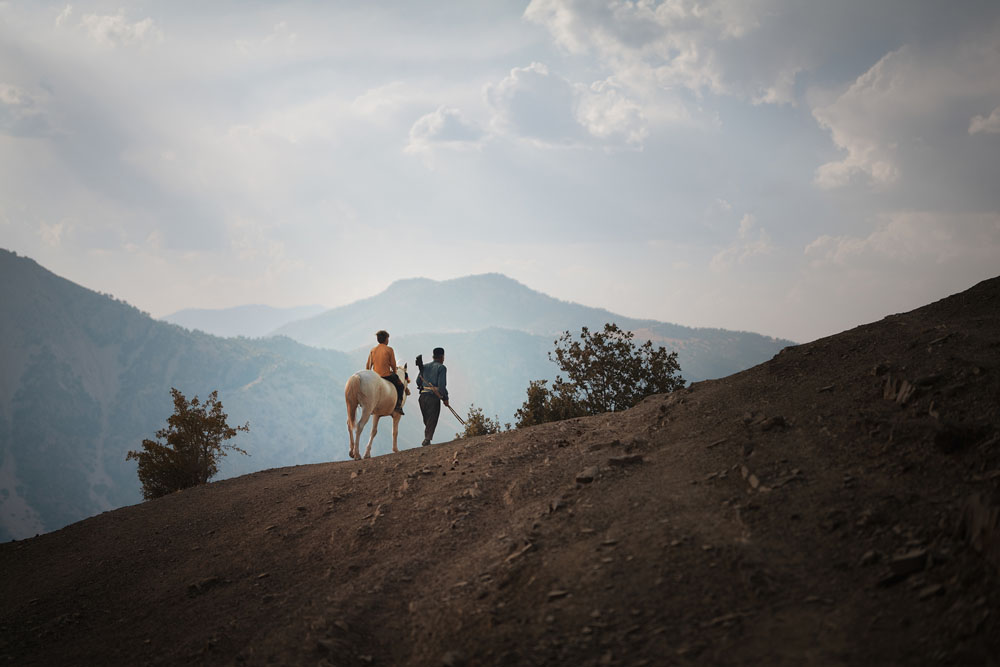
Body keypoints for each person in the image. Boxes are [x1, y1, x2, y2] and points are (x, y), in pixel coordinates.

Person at [366, 330, 404, 415]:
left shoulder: (373, 350)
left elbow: (368, 366)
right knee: (401, 386)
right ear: (386, 339)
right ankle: (398, 406)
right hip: (386, 375)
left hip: (375, 376)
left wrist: (370, 374)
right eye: (388, 338)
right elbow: (393, 365)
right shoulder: (389, 350)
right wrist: (394, 372)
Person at [417, 347, 448, 446]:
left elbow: (418, 382)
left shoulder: (424, 366)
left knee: (427, 419)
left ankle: (427, 439)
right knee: (432, 419)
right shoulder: (441, 368)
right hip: (433, 397)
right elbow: (442, 386)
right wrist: (445, 398)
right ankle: (427, 439)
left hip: (422, 397)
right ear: (442, 357)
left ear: (433, 356)